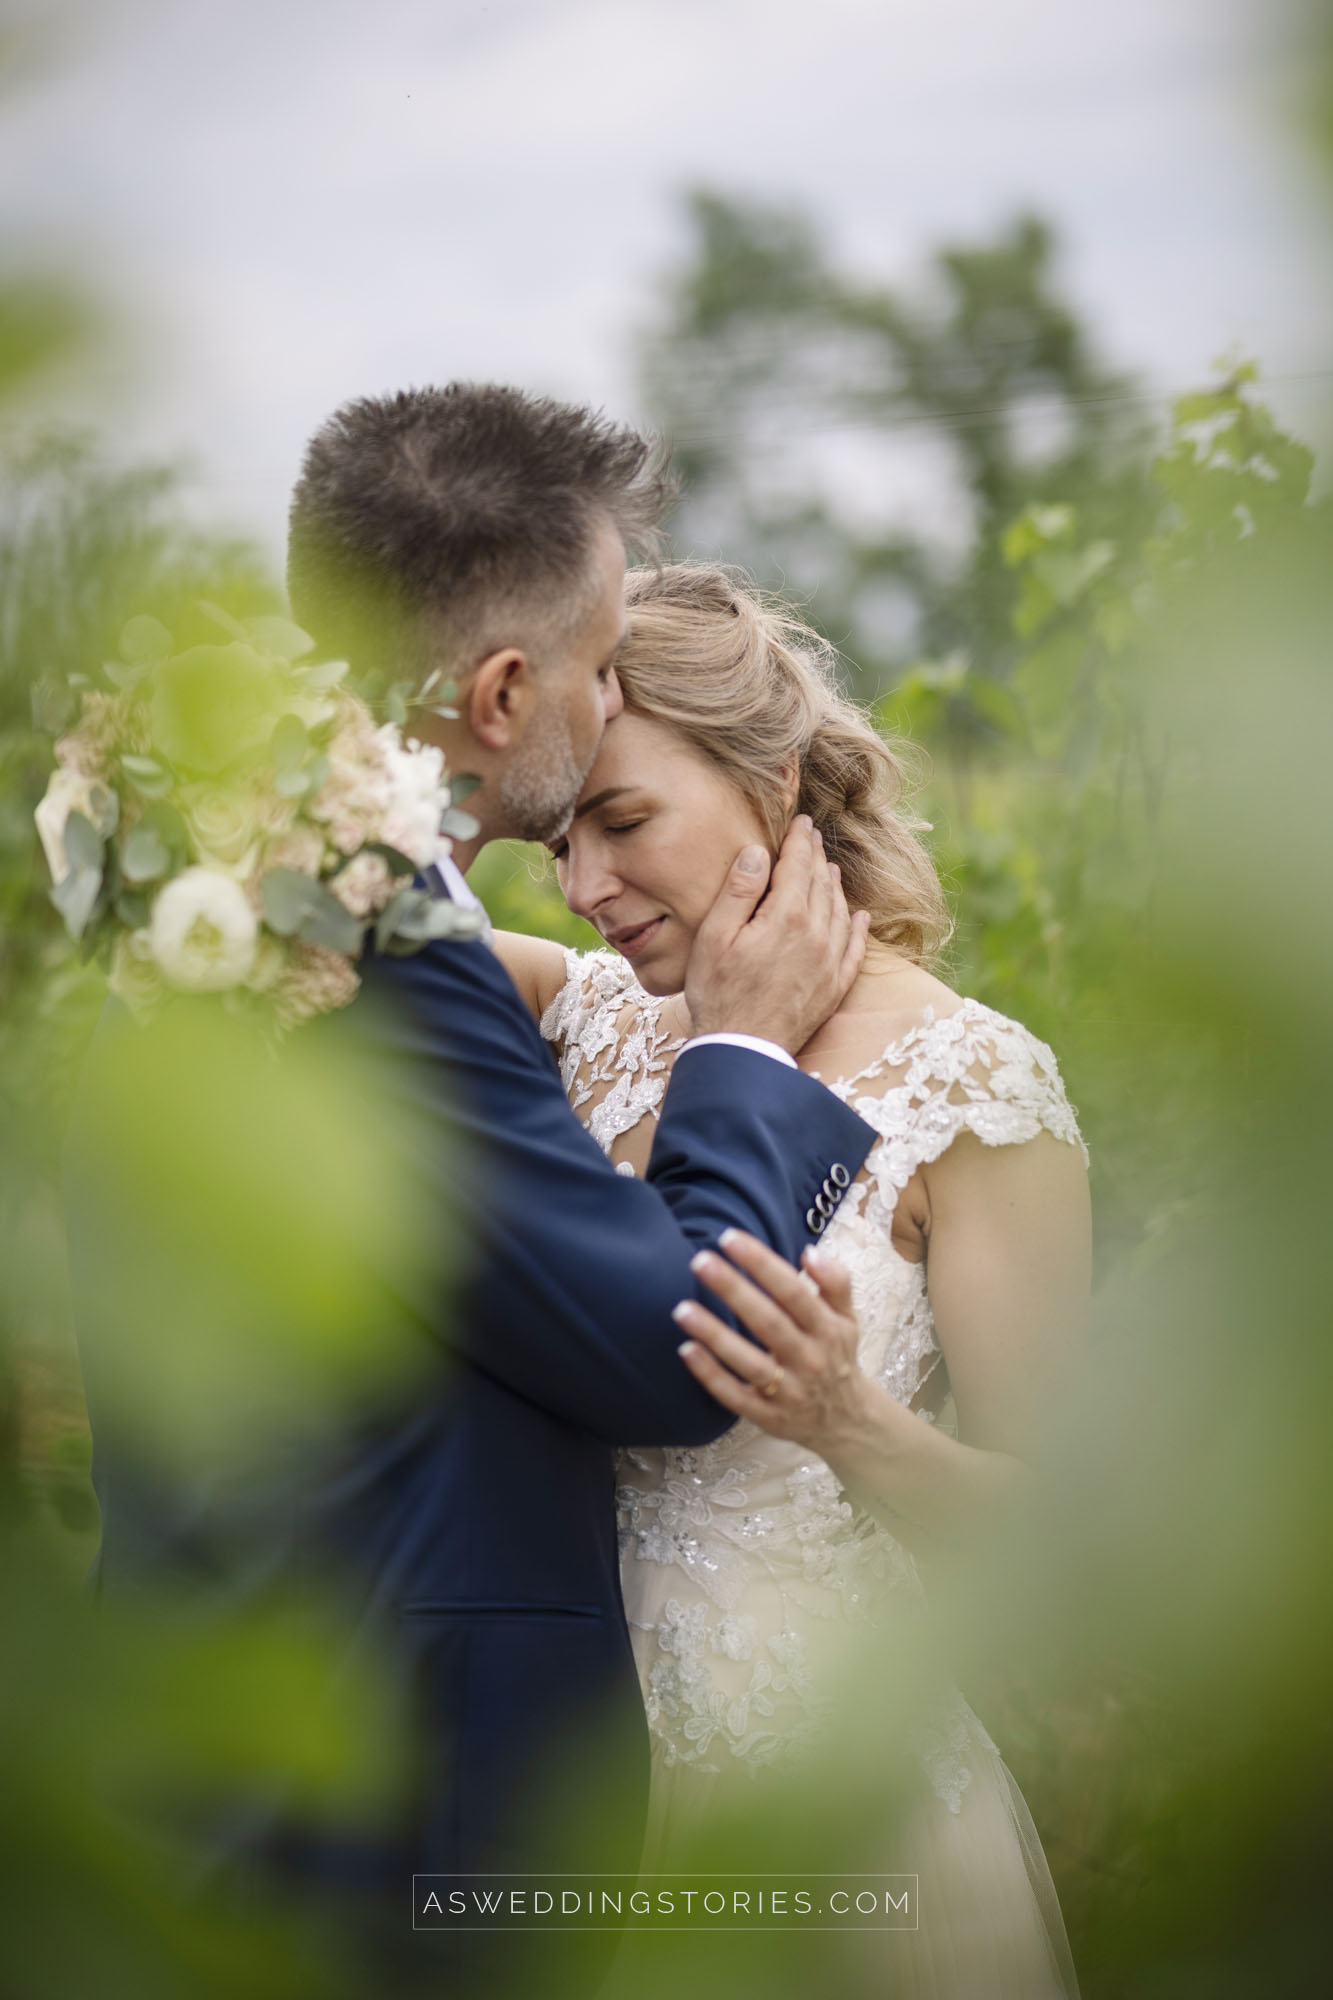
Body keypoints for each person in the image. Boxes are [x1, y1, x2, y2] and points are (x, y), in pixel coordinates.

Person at [62, 391, 879, 1990]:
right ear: (505, 692)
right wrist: (745, 1053)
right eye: (597, 661)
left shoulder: (215, 898)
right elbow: (663, 1352)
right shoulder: (367, 950)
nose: (614, 692)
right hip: (389, 1824)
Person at [495, 563, 1091, 1997]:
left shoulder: (972, 1085)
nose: (582, 890)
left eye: (622, 820)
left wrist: (848, 1422)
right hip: (575, 1792)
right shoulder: (584, 1021)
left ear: (771, 778)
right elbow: (360, 911)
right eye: (555, 840)